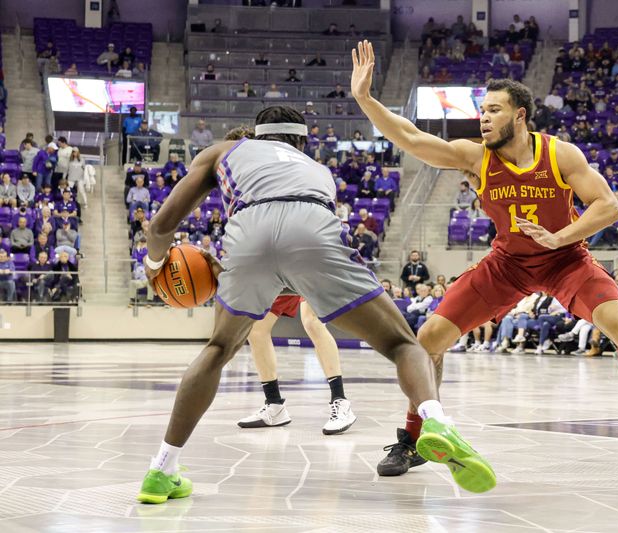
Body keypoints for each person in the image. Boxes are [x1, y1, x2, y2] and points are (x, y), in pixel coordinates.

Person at [350, 40, 618, 477]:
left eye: (494, 110)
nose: (483, 117)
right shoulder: (476, 158)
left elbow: (607, 206)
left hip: (566, 261)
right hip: (508, 264)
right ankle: (414, 439)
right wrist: (365, 99)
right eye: (482, 110)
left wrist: (561, 238)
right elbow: (410, 137)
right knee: (427, 341)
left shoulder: (559, 153)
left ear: (519, 115)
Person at [136, 105, 496, 504]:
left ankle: (161, 470)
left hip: (250, 233)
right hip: (312, 230)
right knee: (402, 345)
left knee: (219, 349)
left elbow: (161, 226)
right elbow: (296, 243)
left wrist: (154, 267)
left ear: (256, 135)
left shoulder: (224, 151)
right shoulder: (316, 169)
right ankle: (435, 420)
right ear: (302, 142)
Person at [238, 297, 357, 434]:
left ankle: (340, 400)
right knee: (256, 328)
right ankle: (274, 405)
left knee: (311, 321)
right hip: (282, 275)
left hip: (311, 274)